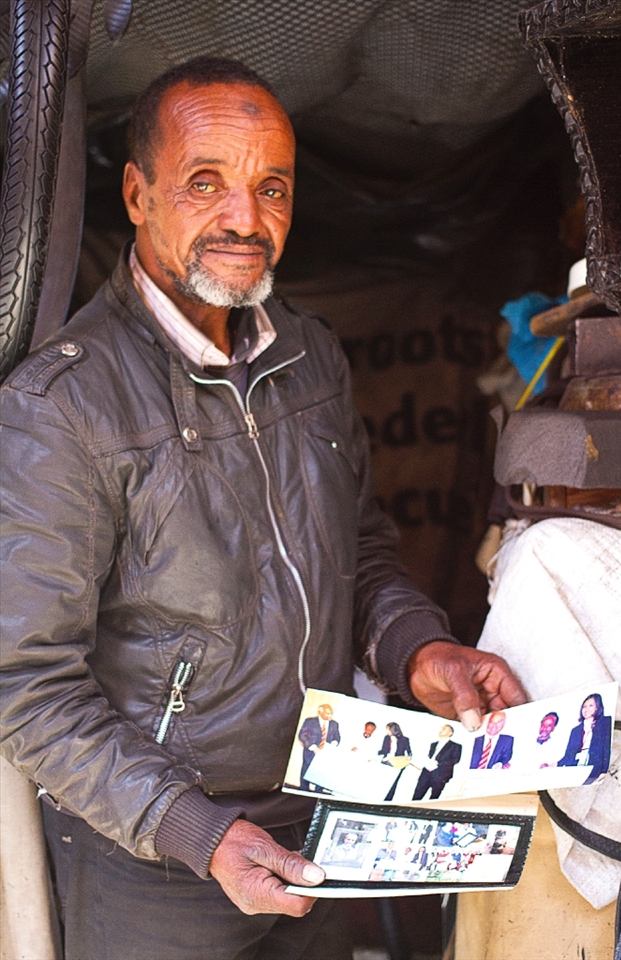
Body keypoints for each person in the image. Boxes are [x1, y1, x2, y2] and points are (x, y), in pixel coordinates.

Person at [0, 56, 527, 960]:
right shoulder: (62, 408)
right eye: (206, 183)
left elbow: (357, 552)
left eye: (270, 187)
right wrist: (196, 830)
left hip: (317, 814)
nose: (246, 219)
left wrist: (420, 649)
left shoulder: (312, 358)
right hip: (154, 861)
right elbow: (25, 683)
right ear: (137, 192)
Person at [557, 693, 612, 784]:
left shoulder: (606, 723)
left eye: (591, 706)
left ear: (597, 707)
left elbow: (606, 747)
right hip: (576, 768)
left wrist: (604, 771)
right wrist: (554, 764)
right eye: (584, 707)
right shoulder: (575, 730)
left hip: (596, 768)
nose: (586, 709)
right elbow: (568, 755)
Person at [412, 723, 463, 800]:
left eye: (444, 729)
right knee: (417, 795)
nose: (441, 730)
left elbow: (455, 760)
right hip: (426, 772)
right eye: (441, 729)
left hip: (441, 775)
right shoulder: (433, 744)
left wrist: (439, 763)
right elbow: (430, 756)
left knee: (434, 798)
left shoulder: (455, 746)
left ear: (450, 733)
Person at [298, 704, 340, 789]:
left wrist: (333, 744)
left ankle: (318, 793)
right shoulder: (310, 721)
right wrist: (313, 747)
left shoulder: (334, 724)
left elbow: (337, 737)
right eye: (327, 713)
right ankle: (303, 792)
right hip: (311, 752)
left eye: (331, 713)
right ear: (320, 712)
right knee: (305, 774)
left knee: (321, 777)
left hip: (325, 754)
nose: (330, 715)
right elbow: (302, 735)